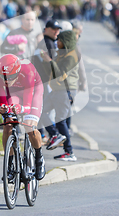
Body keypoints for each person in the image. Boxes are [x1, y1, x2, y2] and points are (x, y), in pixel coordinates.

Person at [0, 54, 46, 180]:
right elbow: (2, 101)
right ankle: (10, 164)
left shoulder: (27, 71)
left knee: (29, 125)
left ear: (17, 71)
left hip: (33, 91)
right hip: (14, 92)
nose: (6, 81)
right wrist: (3, 108)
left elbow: (27, 104)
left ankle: (39, 158)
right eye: (3, 77)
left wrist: (21, 109)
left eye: (10, 77)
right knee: (8, 125)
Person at [40, 31, 79, 161]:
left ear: (66, 41)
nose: (57, 42)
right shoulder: (62, 54)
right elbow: (51, 72)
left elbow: (60, 74)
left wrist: (49, 61)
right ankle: (55, 135)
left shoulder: (71, 56)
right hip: (57, 90)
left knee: (60, 120)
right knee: (41, 111)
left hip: (65, 90)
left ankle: (69, 152)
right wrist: (46, 62)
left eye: (59, 40)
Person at [33, 20, 67, 149]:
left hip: (43, 82)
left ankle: (52, 134)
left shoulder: (48, 43)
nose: (56, 31)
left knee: (39, 110)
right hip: (43, 81)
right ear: (46, 29)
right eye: (54, 29)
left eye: (58, 29)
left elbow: (50, 66)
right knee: (39, 110)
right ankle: (46, 134)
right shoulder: (48, 43)